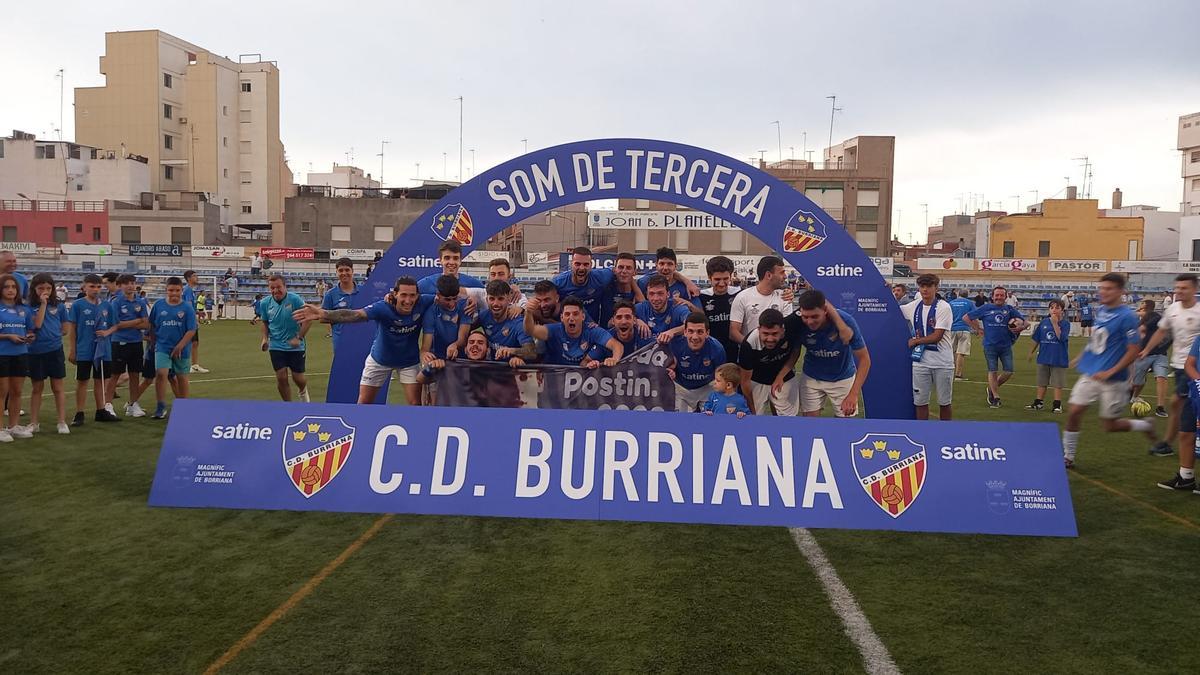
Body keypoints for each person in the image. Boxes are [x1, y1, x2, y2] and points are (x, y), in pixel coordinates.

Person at [1062, 273, 1160, 469]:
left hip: (1114, 380)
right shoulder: (1103, 310)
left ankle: (1145, 425)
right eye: (1101, 288)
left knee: (1110, 425)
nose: (1103, 292)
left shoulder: (1127, 317)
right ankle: (1068, 456)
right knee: (1074, 411)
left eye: (1108, 289)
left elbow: (1133, 350)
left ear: (1120, 292)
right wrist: (1082, 356)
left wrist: (1111, 371)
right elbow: (1097, 340)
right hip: (1091, 373)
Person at [294, 276, 435, 405]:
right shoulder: (383, 307)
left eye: (412, 295)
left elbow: (449, 298)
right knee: (363, 404)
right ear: (395, 294)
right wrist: (324, 313)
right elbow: (356, 315)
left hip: (408, 362)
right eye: (403, 295)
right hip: (379, 360)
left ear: (418, 296)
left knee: (416, 404)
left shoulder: (424, 301)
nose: (408, 300)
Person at [1140, 274, 1200, 460]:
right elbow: (1161, 330)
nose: (1179, 291)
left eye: (1184, 288)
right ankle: (1171, 442)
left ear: (1195, 289)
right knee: (1178, 405)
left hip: (1194, 367)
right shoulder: (1173, 309)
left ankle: (1170, 443)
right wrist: (1147, 349)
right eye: (1177, 287)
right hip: (1179, 366)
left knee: (1178, 403)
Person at [790, 290, 869, 418]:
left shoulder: (846, 321)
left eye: (815, 316)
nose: (809, 321)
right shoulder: (797, 322)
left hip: (842, 377)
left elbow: (865, 359)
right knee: (809, 425)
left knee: (845, 426)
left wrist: (853, 394)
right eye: (806, 317)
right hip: (812, 377)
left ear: (825, 311)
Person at [64, 273, 119, 425]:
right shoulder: (78, 305)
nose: (96, 289)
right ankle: (79, 413)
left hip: (103, 350)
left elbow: (115, 325)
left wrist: (107, 332)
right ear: (84, 287)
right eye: (92, 286)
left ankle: (101, 410)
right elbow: (73, 329)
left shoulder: (106, 305)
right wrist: (72, 350)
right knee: (82, 381)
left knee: (100, 381)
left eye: (98, 286)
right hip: (84, 349)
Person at [902, 274, 954, 421]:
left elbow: (937, 336)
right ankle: (922, 434)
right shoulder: (914, 306)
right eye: (922, 286)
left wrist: (916, 341)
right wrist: (886, 290)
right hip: (920, 362)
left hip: (943, 362)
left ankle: (945, 433)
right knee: (920, 402)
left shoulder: (944, 307)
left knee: (944, 402)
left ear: (936, 288)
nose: (925, 290)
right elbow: (894, 310)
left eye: (929, 286)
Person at [965, 286, 1025, 408]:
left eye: (1001, 295)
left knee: (1009, 372)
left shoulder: (1009, 309)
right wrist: (978, 329)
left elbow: (1025, 322)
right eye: (996, 295)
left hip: (1006, 345)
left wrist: (1020, 327)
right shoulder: (986, 308)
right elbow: (966, 317)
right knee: (992, 370)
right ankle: (996, 397)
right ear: (992, 296)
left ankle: (991, 388)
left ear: (1005, 297)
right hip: (990, 345)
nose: (999, 297)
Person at [149, 277, 198, 419]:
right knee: (161, 374)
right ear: (166, 290)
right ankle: (160, 406)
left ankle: (184, 406)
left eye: (177, 290)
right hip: (162, 347)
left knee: (182, 377)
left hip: (182, 349)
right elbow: (152, 325)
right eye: (171, 290)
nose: (174, 293)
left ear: (182, 291)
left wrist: (180, 345)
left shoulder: (187, 308)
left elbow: (191, 330)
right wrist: (153, 342)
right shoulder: (158, 305)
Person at [523, 296, 622, 367]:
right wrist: (528, 312)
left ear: (583, 316)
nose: (571, 318)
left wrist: (614, 359)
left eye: (575, 314)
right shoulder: (554, 330)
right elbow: (530, 330)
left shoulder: (592, 330)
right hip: (554, 379)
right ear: (562, 317)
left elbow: (617, 345)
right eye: (567, 314)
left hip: (579, 381)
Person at [417, 275, 474, 396]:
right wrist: (425, 356)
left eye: (455, 298)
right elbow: (425, 347)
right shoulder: (431, 312)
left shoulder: (465, 306)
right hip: (438, 362)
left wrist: (455, 344)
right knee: (435, 403)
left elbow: (462, 339)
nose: (452, 303)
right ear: (438, 294)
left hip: (460, 362)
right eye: (447, 299)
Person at [27, 273, 69, 434]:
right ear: (34, 289)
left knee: (58, 387)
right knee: (37, 388)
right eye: (41, 288)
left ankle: (61, 421)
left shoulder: (59, 305)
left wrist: (56, 334)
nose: (45, 290)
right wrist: (43, 304)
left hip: (54, 350)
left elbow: (65, 328)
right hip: (35, 351)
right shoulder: (28, 306)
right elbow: (36, 325)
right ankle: (34, 422)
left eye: (48, 288)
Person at [737, 308, 799, 416]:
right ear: (758, 329)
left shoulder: (792, 327)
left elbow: (796, 352)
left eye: (774, 334)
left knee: (788, 419)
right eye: (765, 333)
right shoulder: (749, 343)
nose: (770, 339)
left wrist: (781, 376)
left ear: (782, 330)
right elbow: (745, 381)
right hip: (757, 379)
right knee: (754, 420)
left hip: (785, 376)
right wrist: (752, 409)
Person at [258, 275, 311, 402]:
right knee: (281, 377)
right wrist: (265, 339)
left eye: (278, 287)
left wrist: (299, 337)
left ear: (285, 286)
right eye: (272, 288)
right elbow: (264, 322)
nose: (276, 290)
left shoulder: (295, 299)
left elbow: (308, 320)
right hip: (276, 345)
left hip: (295, 345)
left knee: (298, 378)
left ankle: (303, 391)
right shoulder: (265, 303)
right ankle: (288, 405)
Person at [1158, 337, 1200, 492]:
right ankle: (1186, 478)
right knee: (1186, 433)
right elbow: (1189, 364)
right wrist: (1199, 382)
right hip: (1195, 392)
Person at [107, 273, 150, 417]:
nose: (130, 285)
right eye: (126, 283)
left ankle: (133, 404)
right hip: (119, 342)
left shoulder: (141, 302)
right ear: (120, 286)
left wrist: (131, 323)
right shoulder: (116, 302)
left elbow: (146, 323)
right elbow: (117, 324)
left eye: (132, 282)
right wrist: (136, 322)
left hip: (136, 342)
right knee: (115, 375)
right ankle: (108, 406)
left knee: (134, 375)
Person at [665, 312, 726, 412]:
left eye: (700, 332)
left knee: (712, 420)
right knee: (680, 422)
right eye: (691, 331)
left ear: (707, 333)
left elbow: (722, 377)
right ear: (685, 332)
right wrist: (670, 372)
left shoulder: (717, 349)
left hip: (707, 387)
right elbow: (667, 369)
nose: (695, 337)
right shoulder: (675, 345)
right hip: (682, 388)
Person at [0, 273, 34, 440]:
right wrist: (8, 337)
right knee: (2, 392)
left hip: (20, 354)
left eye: (13, 287)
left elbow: (30, 329)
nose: (11, 290)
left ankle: (13, 426)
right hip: (2, 354)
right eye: (6, 287)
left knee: (17, 391)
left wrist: (30, 336)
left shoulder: (24, 310)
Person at [551, 246, 624, 324]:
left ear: (591, 265)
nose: (581, 268)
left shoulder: (601, 277)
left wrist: (636, 290)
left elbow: (621, 272)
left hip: (592, 329)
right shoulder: (558, 282)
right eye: (577, 264)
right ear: (571, 264)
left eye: (586, 264)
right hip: (568, 327)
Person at [730, 255, 794, 343]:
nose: (785, 276)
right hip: (750, 355)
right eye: (782, 272)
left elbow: (787, 329)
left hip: (775, 354)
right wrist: (750, 347)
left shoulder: (785, 297)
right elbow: (734, 332)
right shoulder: (742, 297)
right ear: (768, 275)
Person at [1026, 299, 1071, 414]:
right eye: (1052, 308)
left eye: (1057, 308)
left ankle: (1057, 404)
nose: (1054, 310)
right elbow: (1036, 339)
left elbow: (1061, 338)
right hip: (1044, 356)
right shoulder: (1044, 322)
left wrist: (1055, 323)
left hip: (1058, 358)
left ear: (1062, 310)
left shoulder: (1065, 324)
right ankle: (1038, 402)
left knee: (1057, 383)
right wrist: (1031, 352)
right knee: (1042, 381)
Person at [1129, 299, 1170, 417]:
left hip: (1159, 353)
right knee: (1137, 382)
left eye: (1142, 303)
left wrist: (1140, 316)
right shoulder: (1143, 318)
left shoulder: (1155, 316)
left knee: (1161, 378)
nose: (1140, 305)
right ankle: (1134, 396)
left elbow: (1147, 325)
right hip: (1143, 353)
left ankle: (1160, 407)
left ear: (1146, 306)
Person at [701, 255, 741, 364]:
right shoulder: (702, 296)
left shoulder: (739, 294)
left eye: (725, 279)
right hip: (710, 351)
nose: (722, 283)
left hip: (734, 351)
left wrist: (786, 293)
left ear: (731, 276)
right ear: (709, 278)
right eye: (717, 279)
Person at [636, 247, 701, 304]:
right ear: (656, 265)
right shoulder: (643, 283)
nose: (665, 268)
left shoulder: (686, 287)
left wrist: (688, 305)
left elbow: (700, 313)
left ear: (675, 266)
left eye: (670, 264)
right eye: (662, 264)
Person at [417, 240, 484, 295]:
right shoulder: (426, 284)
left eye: (455, 258)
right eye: (447, 258)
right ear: (440, 260)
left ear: (460, 261)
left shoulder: (474, 284)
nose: (451, 262)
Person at [322, 258, 361, 352]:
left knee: (363, 366)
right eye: (340, 270)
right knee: (342, 366)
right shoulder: (330, 294)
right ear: (336, 272)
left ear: (352, 271)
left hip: (361, 338)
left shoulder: (364, 291)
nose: (344, 273)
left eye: (347, 270)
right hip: (340, 339)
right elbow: (323, 317)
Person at [182, 270, 208, 373]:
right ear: (189, 278)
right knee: (187, 343)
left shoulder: (190, 290)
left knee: (195, 343)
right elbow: (188, 306)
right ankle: (185, 364)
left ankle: (195, 365)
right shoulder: (187, 290)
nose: (197, 277)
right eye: (194, 276)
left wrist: (198, 312)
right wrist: (194, 319)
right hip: (188, 321)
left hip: (190, 319)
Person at [948, 288, 975, 380]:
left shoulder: (951, 303)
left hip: (952, 328)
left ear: (958, 294)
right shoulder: (970, 303)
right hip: (964, 329)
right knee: (961, 352)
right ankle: (958, 374)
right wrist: (977, 328)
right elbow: (974, 316)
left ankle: (948, 372)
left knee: (950, 352)